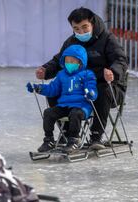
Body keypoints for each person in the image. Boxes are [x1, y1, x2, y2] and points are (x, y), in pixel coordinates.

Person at [35, 7, 128, 150]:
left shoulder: (107, 39)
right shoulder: (72, 42)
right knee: (55, 91)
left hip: (108, 86)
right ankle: (68, 135)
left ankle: (96, 136)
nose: (81, 32)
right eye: (76, 29)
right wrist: (46, 70)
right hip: (78, 88)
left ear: (92, 23)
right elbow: (59, 60)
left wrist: (113, 72)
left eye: (85, 27)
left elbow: (120, 60)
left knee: (102, 90)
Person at [27, 44, 98, 154]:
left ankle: (74, 139)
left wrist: (91, 93)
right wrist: (38, 88)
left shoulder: (87, 74)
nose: (69, 63)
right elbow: (52, 89)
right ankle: (49, 140)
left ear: (80, 62)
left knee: (75, 114)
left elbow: (92, 88)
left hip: (81, 106)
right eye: (67, 60)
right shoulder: (61, 75)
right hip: (64, 105)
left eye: (73, 61)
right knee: (48, 113)